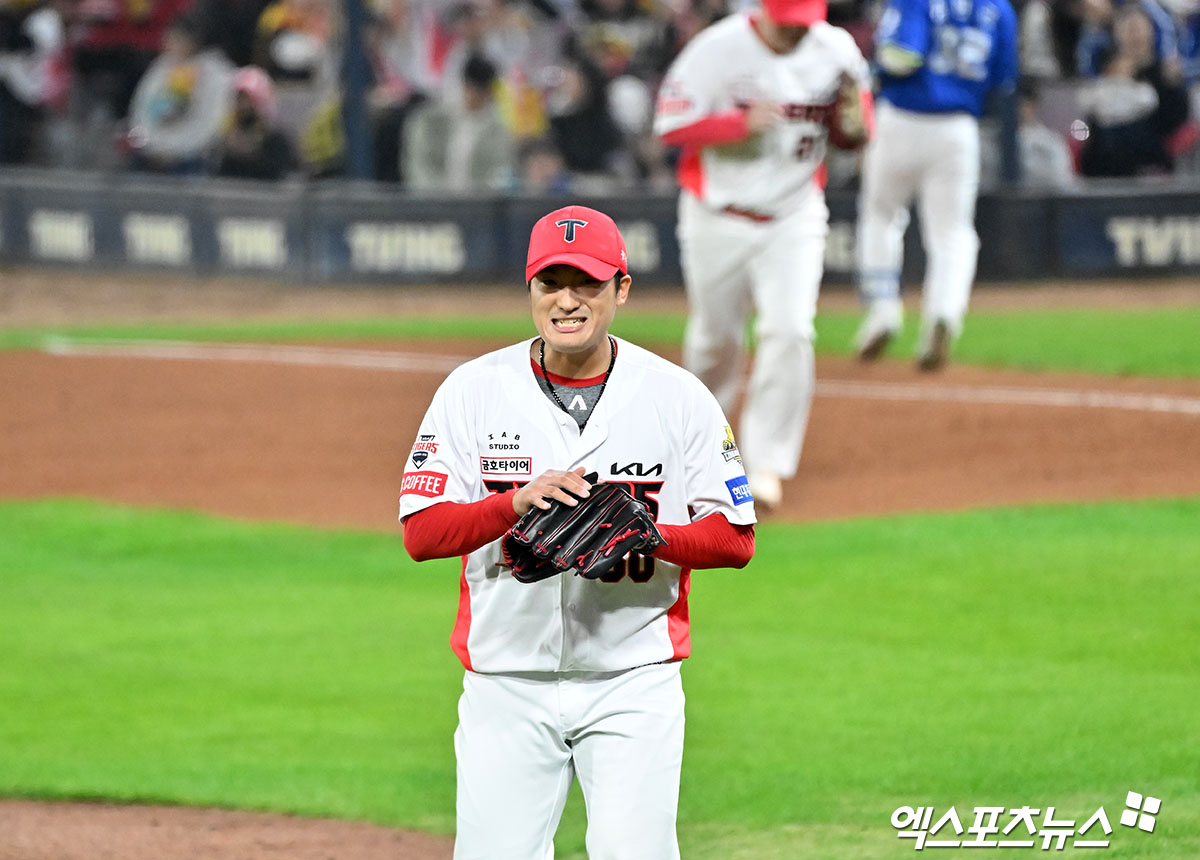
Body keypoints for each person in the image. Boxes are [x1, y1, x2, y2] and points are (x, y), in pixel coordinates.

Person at [399, 204, 756, 859]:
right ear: (530, 290)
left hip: (632, 681)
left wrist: (647, 536)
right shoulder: (471, 391)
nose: (567, 300)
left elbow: (736, 539)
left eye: (587, 283)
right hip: (506, 681)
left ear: (621, 288)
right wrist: (512, 506)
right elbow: (421, 534)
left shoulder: (678, 398)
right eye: (550, 283)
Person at [652, 0, 873, 509]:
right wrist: (735, 124)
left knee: (791, 330)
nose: (795, 34)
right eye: (786, 22)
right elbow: (669, 123)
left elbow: (854, 130)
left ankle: (767, 464)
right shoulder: (717, 49)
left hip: (795, 214)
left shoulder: (835, 50)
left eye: (803, 23)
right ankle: (699, 450)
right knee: (714, 339)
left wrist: (852, 129)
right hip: (718, 214)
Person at [853, 0, 1018, 371]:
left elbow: (902, 55)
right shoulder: (1000, 9)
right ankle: (943, 314)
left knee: (881, 216)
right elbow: (1004, 79)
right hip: (958, 127)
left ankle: (882, 311)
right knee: (953, 233)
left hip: (901, 117)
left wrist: (873, 72)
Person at [213, 65, 297, 180]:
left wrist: (250, 154)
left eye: (248, 99)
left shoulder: (276, 139)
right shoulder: (226, 139)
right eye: (239, 99)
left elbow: (279, 175)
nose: (242, 105)